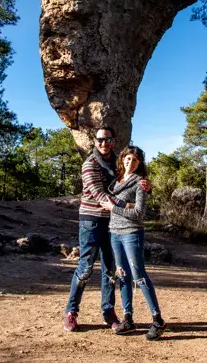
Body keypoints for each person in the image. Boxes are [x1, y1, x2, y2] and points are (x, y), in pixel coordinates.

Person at [63, 126, 149, 332]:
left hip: (113, 223)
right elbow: (100, 195)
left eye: (108, 140)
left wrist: (145, 186)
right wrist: (128, 206)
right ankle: (71, 312)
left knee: (110, 270)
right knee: (85, 268)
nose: (104, 143)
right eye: (100, 139)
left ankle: (108, 312)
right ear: (95, 141)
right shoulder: (90, 164)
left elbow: (130, 181)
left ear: (113, 141)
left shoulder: (117, 162)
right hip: (91, 221)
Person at [100, 145, 166, 341]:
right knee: (122, 275)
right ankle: (128, 318)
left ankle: (158, 320)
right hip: (115, 233)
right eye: (128, 159)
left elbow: (139, 213)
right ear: (122, 159)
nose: (131, 162)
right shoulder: (117, 181)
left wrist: (113, 208)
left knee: (139, 275)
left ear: (139, 163)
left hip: (132, 233)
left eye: (135, 160)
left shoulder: (140, 183)